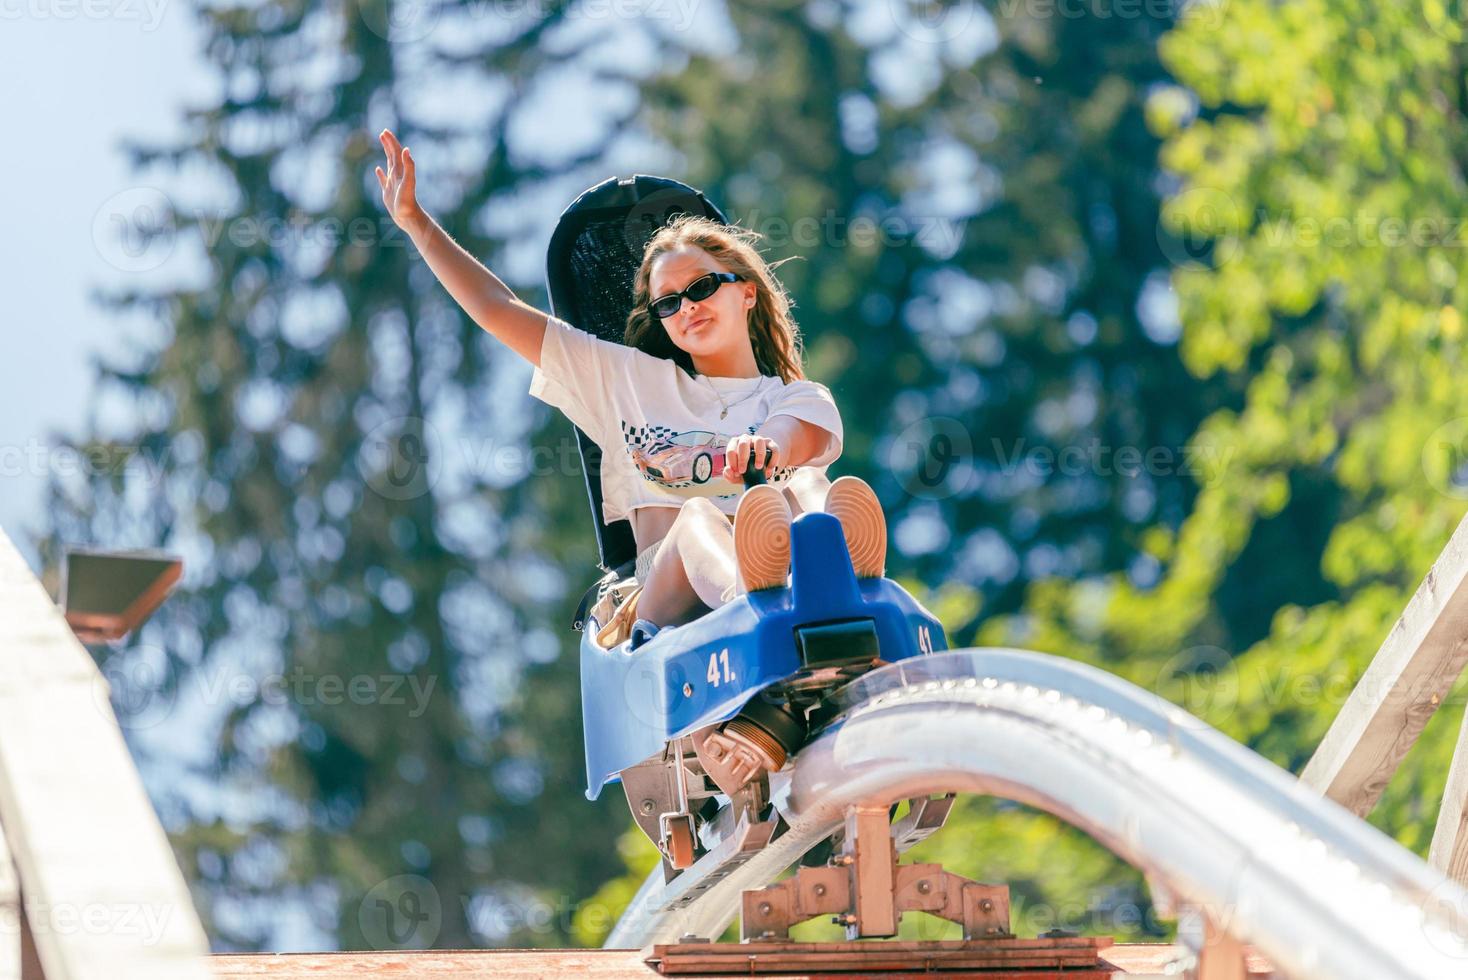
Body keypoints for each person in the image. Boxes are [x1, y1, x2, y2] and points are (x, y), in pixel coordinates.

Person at [376, 129, 886, 647]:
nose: (686, 307)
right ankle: (755, 607)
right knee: (698, 519)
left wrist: (766, 447)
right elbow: (498, 309)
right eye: (668, 303)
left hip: (793, 576)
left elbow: (794, 435)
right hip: (667, 601)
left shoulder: (796, 397)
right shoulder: (626, 381)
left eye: (702, 287)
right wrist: (416, 224)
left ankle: (843, 587)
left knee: (812, 489)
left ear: (747, 293)